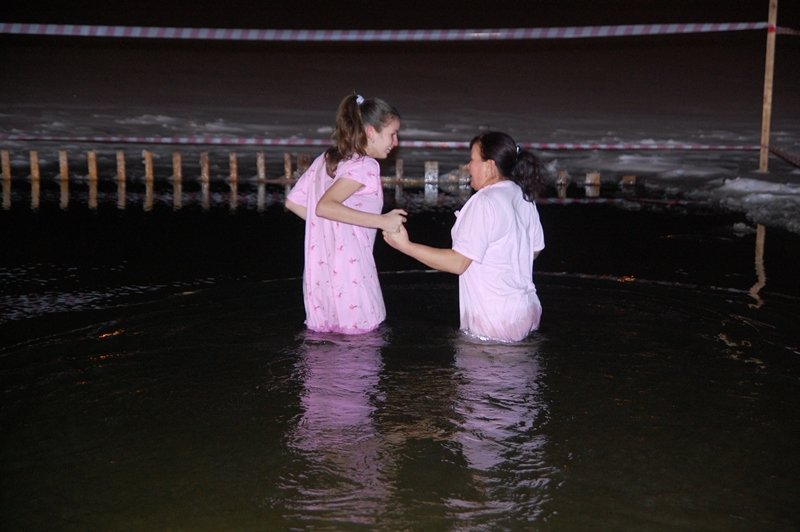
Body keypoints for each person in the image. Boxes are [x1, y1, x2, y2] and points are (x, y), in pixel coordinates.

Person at [383, 131, 545, 342]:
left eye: (473, 160)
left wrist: (405, 246)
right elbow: (535, 250)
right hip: (527, 310)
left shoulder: (484, 202)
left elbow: (458, 263)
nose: (468, 166)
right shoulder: (522, 195)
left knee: (482, 373)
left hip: (494, 321)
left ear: (489, 166)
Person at [285, 93, 407, 334]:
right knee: (361, 350)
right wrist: (382, 221)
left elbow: (294, 203)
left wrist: (336, 227)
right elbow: (325, 206)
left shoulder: (326, 160)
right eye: (392, 134)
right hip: (352, 280)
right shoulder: (366, 166)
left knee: (323, 356)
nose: (395, 141)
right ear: (371, 132)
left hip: (320, 279)